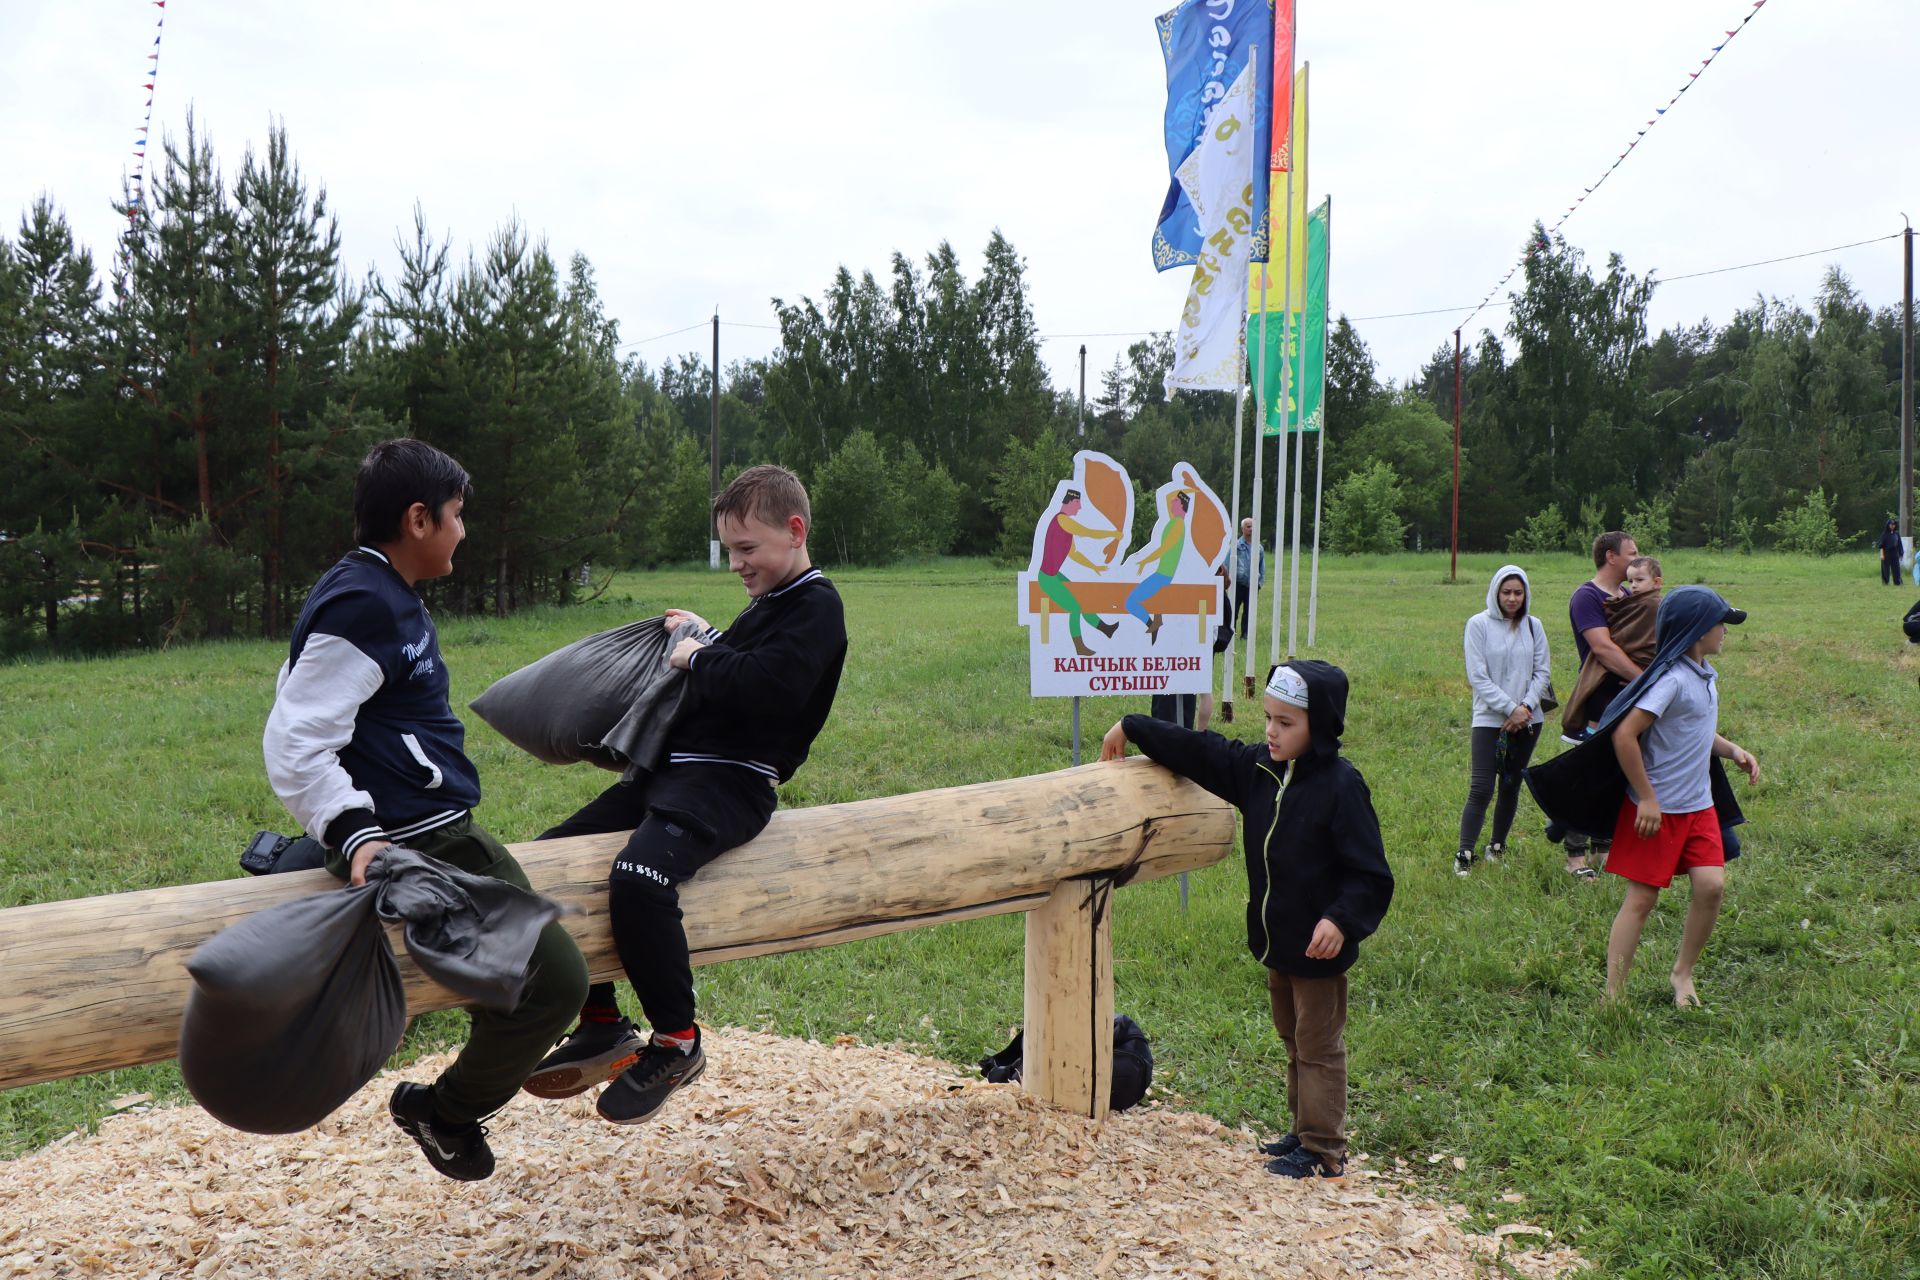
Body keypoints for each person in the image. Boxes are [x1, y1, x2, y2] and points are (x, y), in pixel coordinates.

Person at [263, 438, 588, 1181]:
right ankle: (441, 1112)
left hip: (434, 827)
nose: (463, 530)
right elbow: (294, 735)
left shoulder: (374, 592)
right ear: (418, 519)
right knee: (557, 983)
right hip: (419, 843)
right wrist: (354, 836)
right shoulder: (364, 602)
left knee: (535, 973)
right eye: (457, 515)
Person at [522, 465, 847, 1125]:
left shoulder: (818, 604)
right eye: (731, 551)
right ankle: (603, 1020)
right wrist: (706, 635)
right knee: (547, 860)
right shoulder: (772, 605)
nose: (737, 564)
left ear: (795, 531)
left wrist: (698, 657)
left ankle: (677, 1041)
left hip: (731, 783)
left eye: (747, 549)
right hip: (673, 775)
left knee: (640, 876)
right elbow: (750, 659)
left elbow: (770, 685)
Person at [1099, 661, 1392, 1182]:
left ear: (1319, 726)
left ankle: (1324, 1148)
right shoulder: (1260, 770)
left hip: (1320, 948)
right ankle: (1303, 1132)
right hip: (1278, 941)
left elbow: (1371, 875)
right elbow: (1203, 751)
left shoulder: (1343, 787)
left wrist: (1341, 920)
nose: (1272, 732)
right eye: (1269, 719)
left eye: (1286, 723)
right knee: (1292, 1038)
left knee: (1319, 1047)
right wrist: (1133, 725)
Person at [1602, 588, 1759, 1006]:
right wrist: (1648, 798)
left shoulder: (1704, 676)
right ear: (1695, 631)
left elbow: (1696, 731)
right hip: (1659, 811)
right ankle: (1613, 994)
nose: (1724, 631)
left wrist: (1732, 751)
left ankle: (1682, 974)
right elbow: (1624, 734)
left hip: (1698, 807)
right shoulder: (1670, 681)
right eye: (1719, 623)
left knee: (1711, 886)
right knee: (1642, 899)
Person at [1455, 565, 1551, 876]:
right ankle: (1465, 852)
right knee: (1482, 787)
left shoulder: (1534, 626)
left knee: (1511, 783)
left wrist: (1524, 708)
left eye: (1518, 593)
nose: (1512, 598)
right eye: (1506, 592)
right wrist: (1510, 708)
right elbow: (1478, 677)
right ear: (1496, 592)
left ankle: (1497, 846)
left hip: (1528, 719)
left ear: (1526, 595)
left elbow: (1542, 673)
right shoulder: (1478, 625)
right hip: (1488, 717)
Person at [1560, 531, 1641, 878]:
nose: (1637, 560)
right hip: (1598, 700)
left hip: (1626, 699)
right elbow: (1604, 649)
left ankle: (1603, 852)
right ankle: (1575, 858)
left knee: (1616, 773)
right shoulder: (1586, 597)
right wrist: (1643, 679)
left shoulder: (1627, 594)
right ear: (1611, 556)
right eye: (1632, 553)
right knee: (1588, 776)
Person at [1035, 489, 1120, 658]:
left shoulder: (1065, 526)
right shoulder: (1062, 519)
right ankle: (1079, 646)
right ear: (1071, 502)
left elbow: (1074, 554)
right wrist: (1111, 534)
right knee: (1075, 608)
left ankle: (1105, 629)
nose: (1080, 508)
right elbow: (1087, 532)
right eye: (1078, 504)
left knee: (1080, 600)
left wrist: (1094, 566)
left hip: (1054, 575)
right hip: (1047, 578)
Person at [1124, 483, 1196, 643]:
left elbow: (1164, 548)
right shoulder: (1174, 522)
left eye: (1175, 502)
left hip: (1163, 575)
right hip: (1162, 574)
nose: (1171, 504)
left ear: (1182, 506)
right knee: (1135, 600)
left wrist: (1144, 561)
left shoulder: (1177, 524)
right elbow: (1165, 496)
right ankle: (1155, 620)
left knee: (1130, 602)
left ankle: (1153, 623)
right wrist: (1186, 488)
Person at [1232, 516, 1265, 638]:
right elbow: (1228, 563)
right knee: (1233, 609)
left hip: (1252, 584)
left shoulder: (1259, 547)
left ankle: (1245, 634)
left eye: (1253, 527)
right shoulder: (1236, 546)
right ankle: (1231, 632)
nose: (1251, 529)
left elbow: (1262, 566)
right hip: (1238, 583)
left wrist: (1259, 582)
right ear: (1242, 529)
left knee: (1249, 611)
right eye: (1248, 526)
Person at [1879, 518, 1905, 586]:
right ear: (1888, 525)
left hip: (1895, 553)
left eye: (1894, 524)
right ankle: (1885, 582)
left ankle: (1897, 582)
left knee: (1896, 568)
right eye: (1891, 524)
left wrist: (1901, 553)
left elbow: (1900, 544)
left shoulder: (1896, 534)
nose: (1892, 526)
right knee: (1885, 569)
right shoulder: (1884, 534)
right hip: (1886, 553)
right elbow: (1881, 546)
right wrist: (1882, 555)